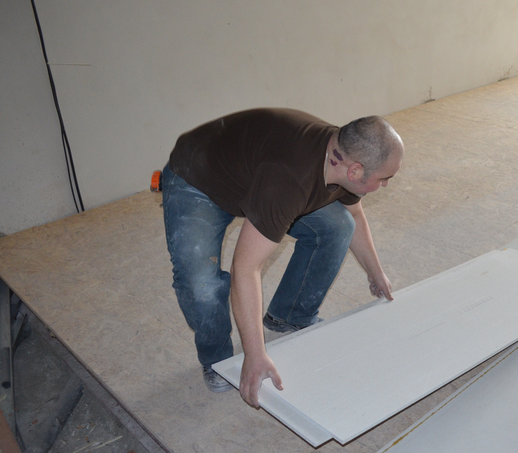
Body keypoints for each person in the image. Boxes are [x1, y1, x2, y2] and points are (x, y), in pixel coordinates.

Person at [162, 108, 404, 408]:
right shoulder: (289, 180)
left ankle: (289, 315)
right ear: (355, 172)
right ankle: (218, 360)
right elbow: (246, 268)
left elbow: (353, 213)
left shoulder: (343, 152)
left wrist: (375, 272)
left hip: (256, 174)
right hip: (199, 178)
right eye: (385, 178)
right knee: (200, 284)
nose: (386, 184)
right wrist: (255, 354)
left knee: (339, 225)